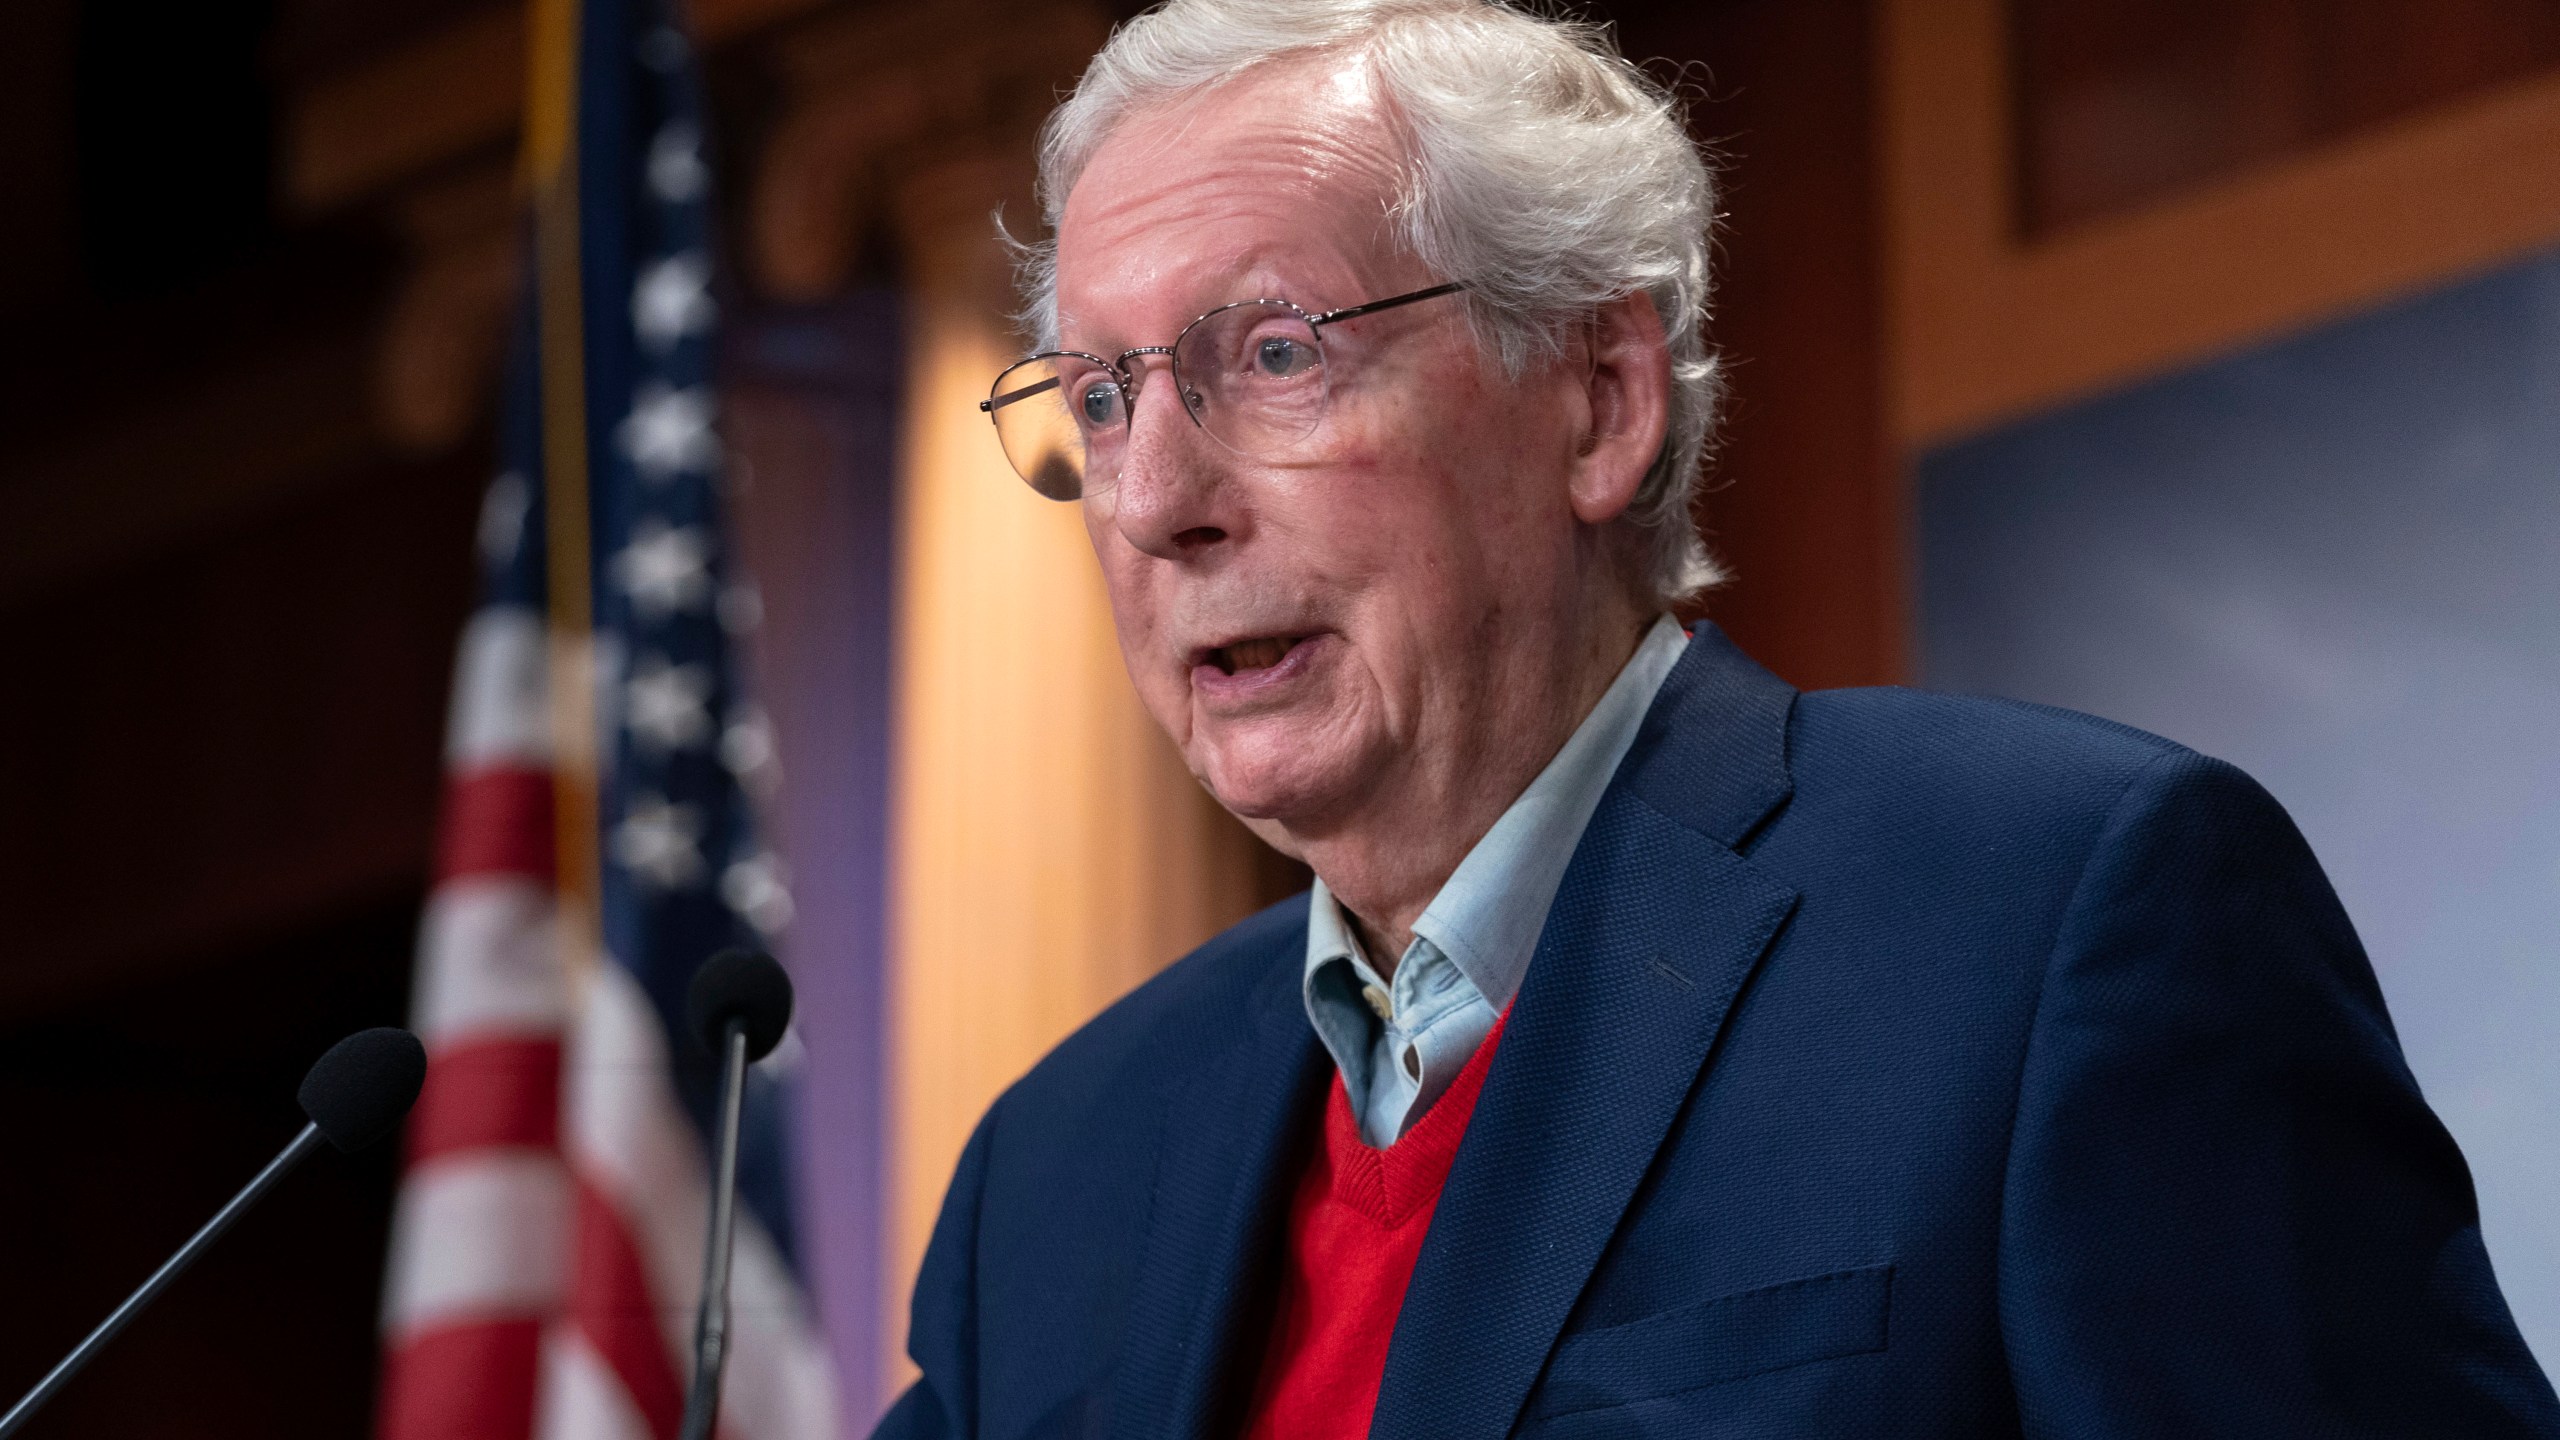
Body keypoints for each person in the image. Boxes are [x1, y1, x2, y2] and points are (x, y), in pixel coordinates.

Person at [876, 1, 2560, 1435]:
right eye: (1099, 399)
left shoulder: (2054, 927)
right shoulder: (1055, 1173)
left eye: (1275, 354)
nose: (1159, 497)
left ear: (1601, 401)